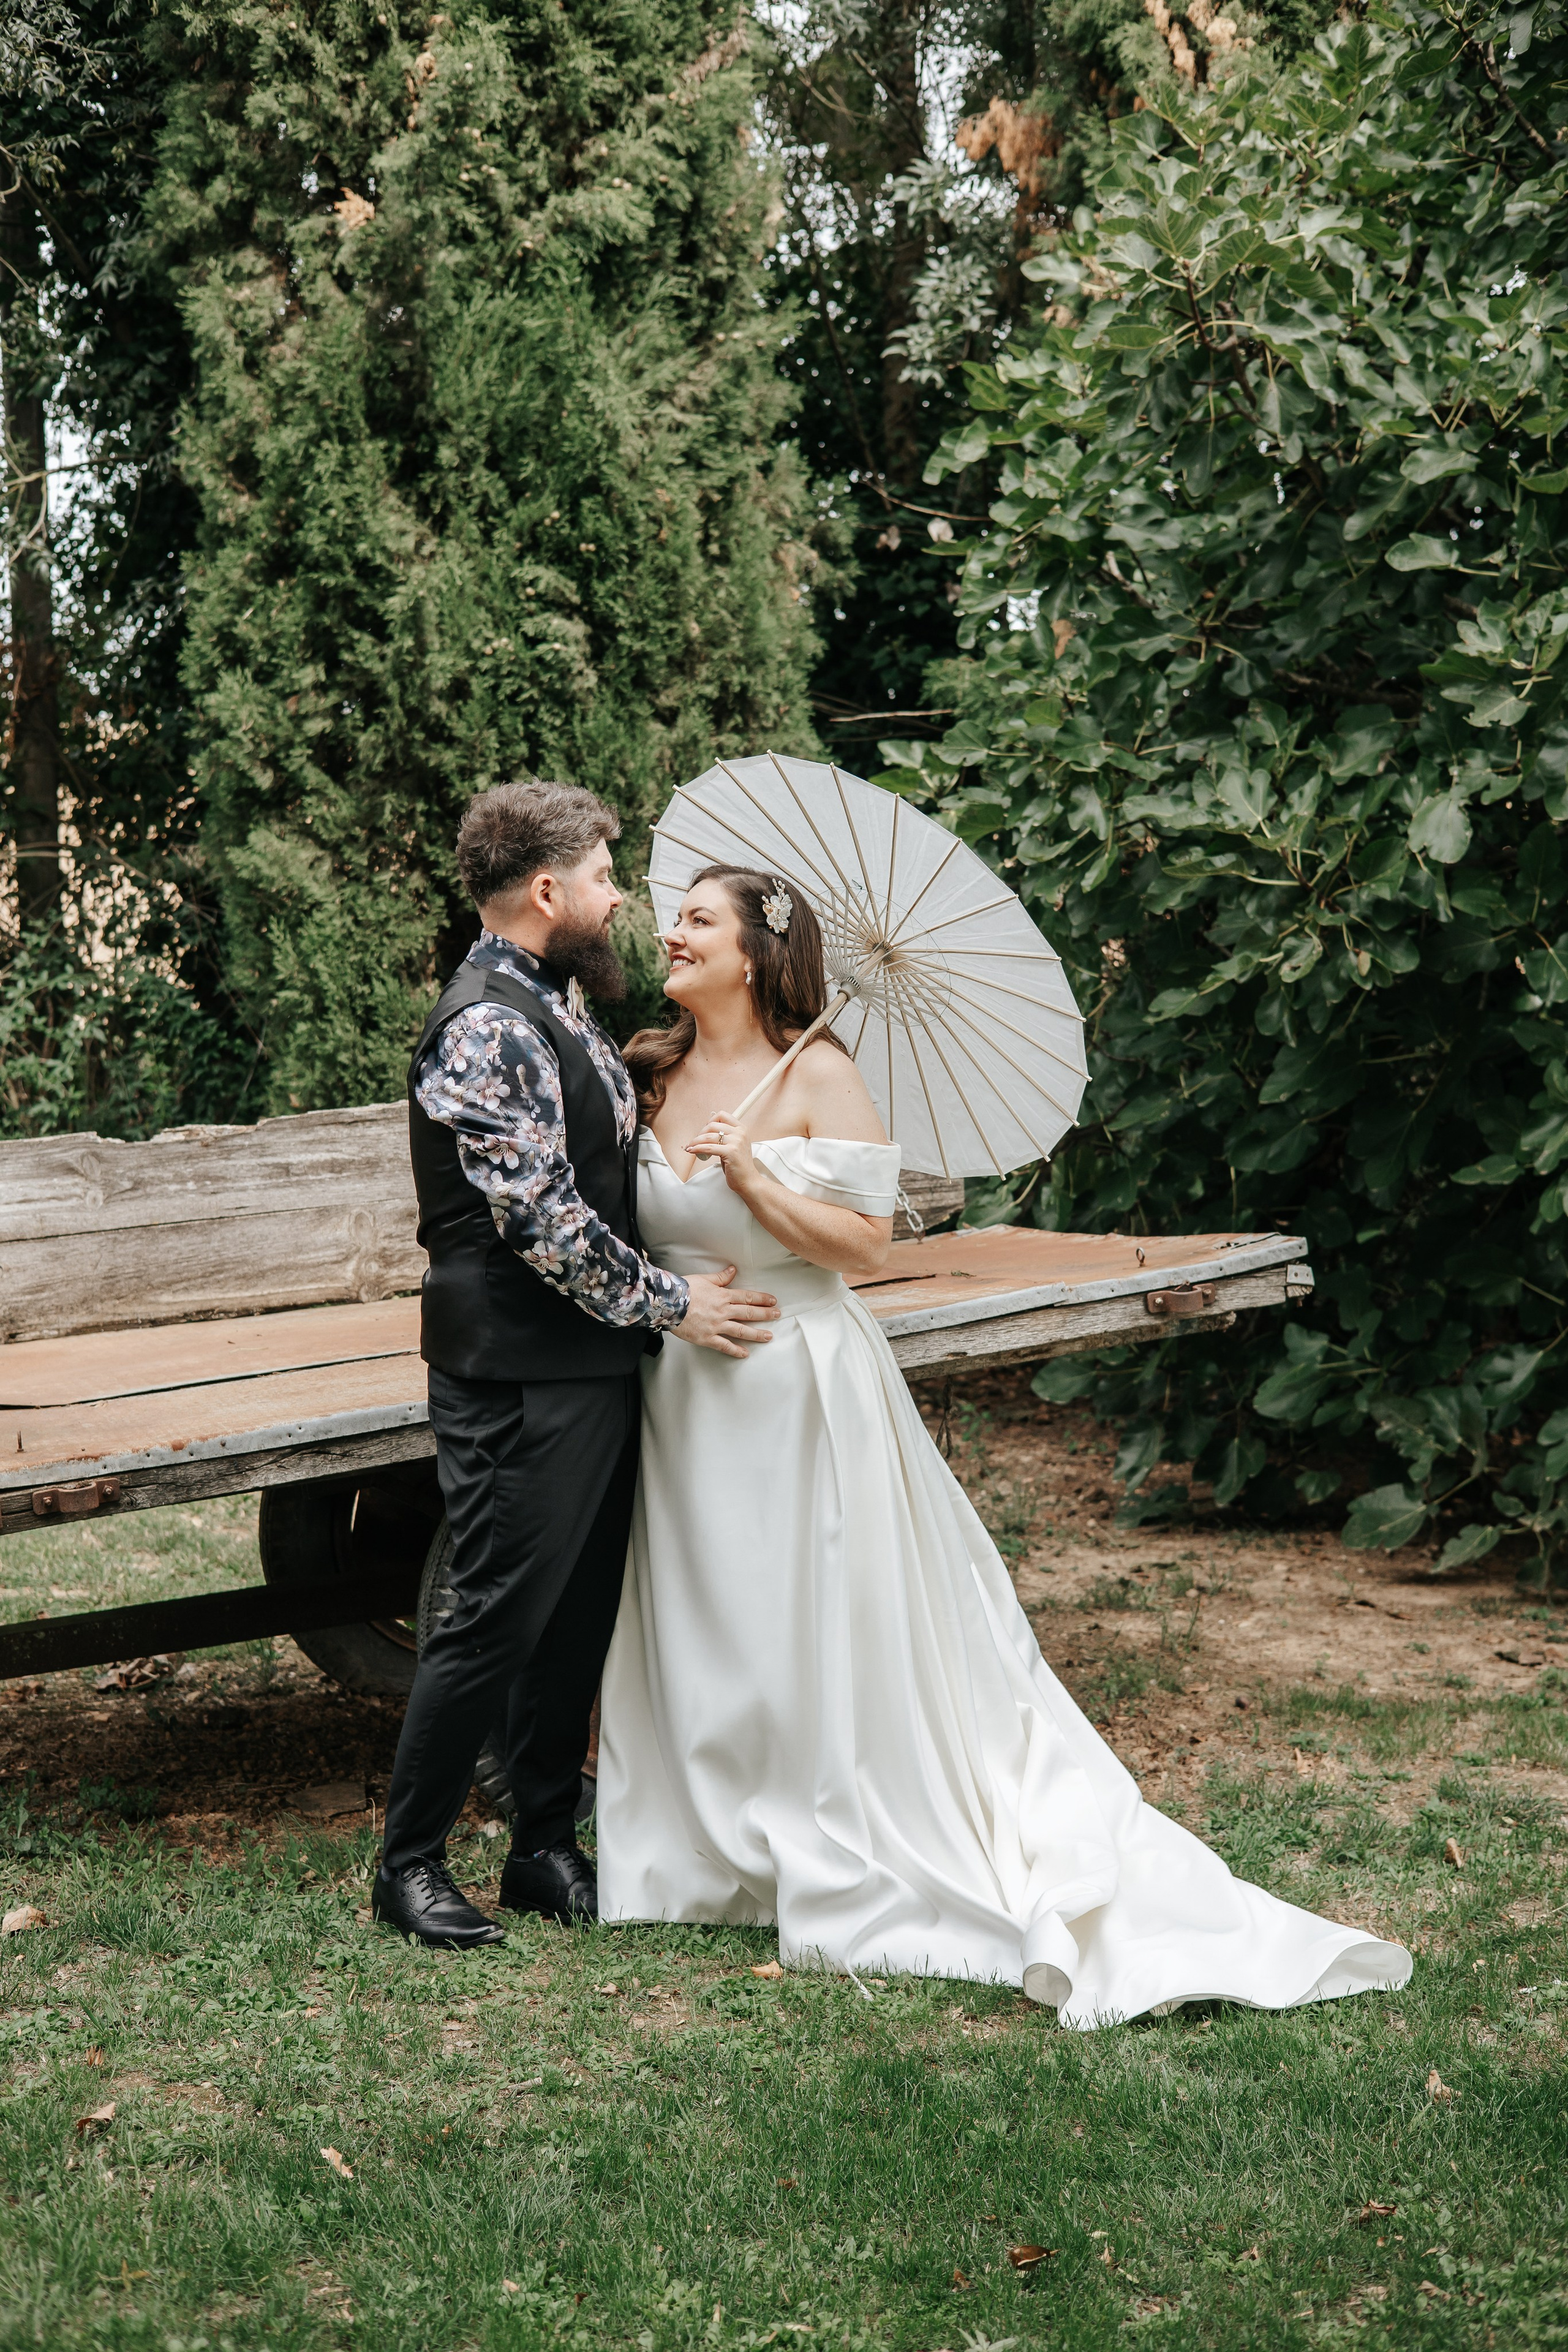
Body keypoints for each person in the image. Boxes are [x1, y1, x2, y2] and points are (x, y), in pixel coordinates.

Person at [595, 863, 1413, 2026]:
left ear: (757, 954)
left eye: (697, 921)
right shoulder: (647, 1068)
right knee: (703, 1609)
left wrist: (749, 1180)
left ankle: (836, 1839)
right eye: (674, 917)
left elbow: (862, 1246)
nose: (668, 933)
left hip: (798, 1385)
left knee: (808, 1612)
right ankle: (704, 1849)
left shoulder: (821, 1072)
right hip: (684, 1387)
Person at [373, 785, 780, 1951]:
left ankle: (545, 1849)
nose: (620, 897)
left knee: (576, 1616)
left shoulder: (557, 1005)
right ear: (549, 892)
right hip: (514, 1369)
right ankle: (408, 1865)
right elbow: (537, 1219)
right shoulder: (489, 1024)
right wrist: (673, 1307)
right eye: (606, 874)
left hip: (589, 1366)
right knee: (494, 1611)